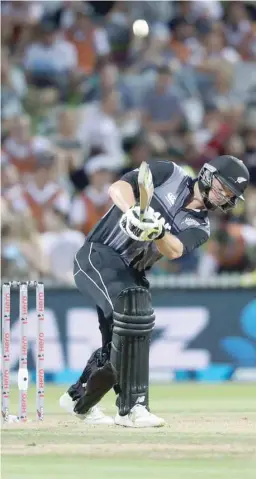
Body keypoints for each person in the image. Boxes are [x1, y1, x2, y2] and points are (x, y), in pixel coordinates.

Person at [59, 155, 250, 427]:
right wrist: (133, 212)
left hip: (132, 272)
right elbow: (118, 188)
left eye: (230, 194)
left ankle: (79, 399)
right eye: (223, 187)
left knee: (121, 342)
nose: (223, 197)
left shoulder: (201, 226)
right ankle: (133, 408)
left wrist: (157, 231)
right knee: (133, 319)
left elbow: (173, 250)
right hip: (99, 254)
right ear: (208, 175)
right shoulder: (170, 174)